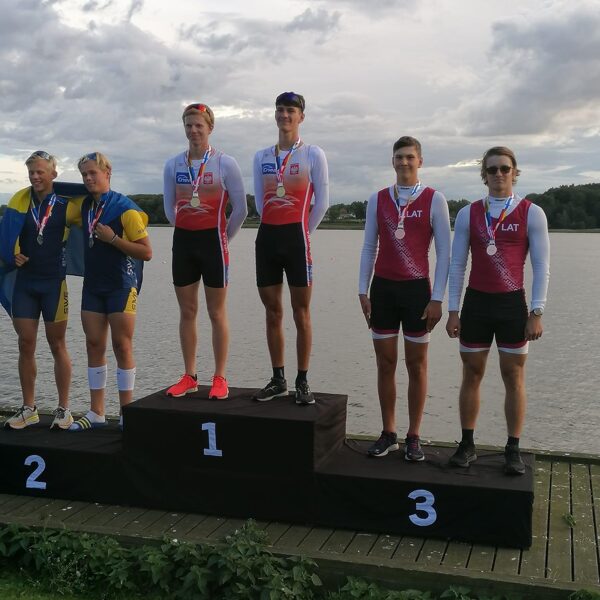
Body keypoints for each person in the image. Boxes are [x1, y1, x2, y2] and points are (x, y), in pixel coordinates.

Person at [445, 146, 550, 474]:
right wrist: (452, 310)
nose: (499, 174)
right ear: (484, 175)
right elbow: (457, 264)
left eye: (505, 168)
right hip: (476, 303)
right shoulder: (468, 213)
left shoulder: (532, 213)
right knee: (471, 373)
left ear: (514, 172)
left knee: (513, 376)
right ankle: (467, 444)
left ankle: (513, 449)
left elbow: (541, 266)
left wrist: (537, 312)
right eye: (492, 169)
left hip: (511, 304)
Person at [358, 136, 451, 461]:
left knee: (417, 365)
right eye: (399, 157)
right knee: (385, 364)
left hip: (417, 292)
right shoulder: (378, 199)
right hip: (383, 290)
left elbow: (445, 253)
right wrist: (362, 290)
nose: (404, 162)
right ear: (393, 161)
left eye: (410, 157)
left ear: (420, 161)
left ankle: (414, 436)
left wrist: (437, 299)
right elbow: (369, 246)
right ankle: (389, 433)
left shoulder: (434, 199)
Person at [163, 103, 247, 400]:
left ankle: (220, 376)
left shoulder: (226, 163)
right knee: (187, 311)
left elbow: (241, 209)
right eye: (188, 125)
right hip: (184, 243)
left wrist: (223, 237)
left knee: (216, 312)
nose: (193, 130)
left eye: (199, 125)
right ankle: (189, 376)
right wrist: (187, 228)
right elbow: (169, 209)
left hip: (214, 243)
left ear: (210, 128)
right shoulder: (173, 164)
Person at [252, 92, 329, 404]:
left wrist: (302, 233)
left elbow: (322, 202)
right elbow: (260, 203)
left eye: (291, 111)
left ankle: (302, 380)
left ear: (301, 117)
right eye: (280, 110)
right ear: (275, 115)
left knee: (301, 312)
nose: (285, 115)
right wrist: (276, 227)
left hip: (297, 238)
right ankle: (278, 378)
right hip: (267, 238)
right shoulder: (261, 157)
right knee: (272, 312)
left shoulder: (312, 154)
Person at [0, 151, 84, 430]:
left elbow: (94, 217)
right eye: (31, 172)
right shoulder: (20, 204)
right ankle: (29, 408)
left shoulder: (67, 207)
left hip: (53, 285)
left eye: (40, 172)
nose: (35, 177)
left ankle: (64, 409)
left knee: (57, 344)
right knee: (25, 344)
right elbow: (6, 237)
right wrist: (12, 256)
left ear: (53, 175)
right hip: (25, 283)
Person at [70, 152, 152, 431]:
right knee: (94, 344)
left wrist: (114, 239)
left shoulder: (125, 208)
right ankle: (97, 412)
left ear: (107, 173)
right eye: (84, 174)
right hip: (93, 286)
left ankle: (126, 412)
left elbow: (146, 252)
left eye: (93, 173)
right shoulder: (85, 206)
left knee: (122, 346)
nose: (88, 178)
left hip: (121, 285)